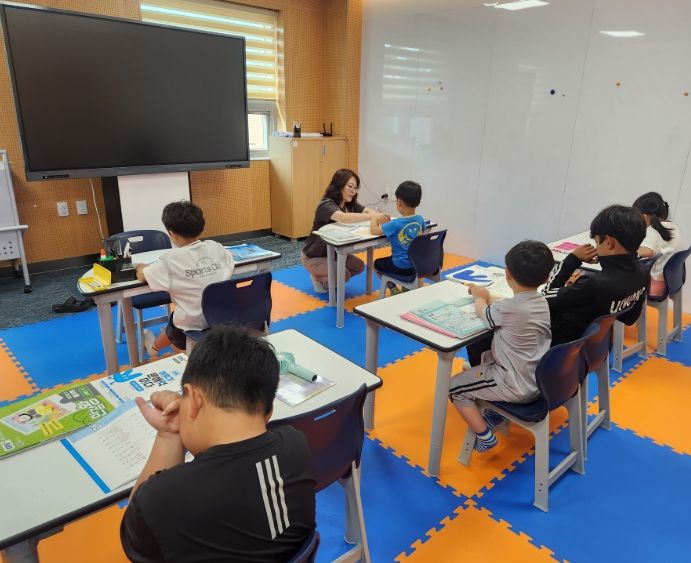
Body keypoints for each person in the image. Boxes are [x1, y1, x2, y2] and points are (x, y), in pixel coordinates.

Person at [120, 326, 316, 562]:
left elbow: (134, 528)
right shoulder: (296, 445)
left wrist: (168, 435)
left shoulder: (159, 502)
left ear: (194, 400)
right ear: (268, 412)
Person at [449, 240, 554, 453]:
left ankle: (484, 437)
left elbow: (484, 313)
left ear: (507, 274)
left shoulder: (508, 308)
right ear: (546, 278)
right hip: (539, 380)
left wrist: (480, 297)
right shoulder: (541, 301)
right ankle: (495, 412)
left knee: (454, 388)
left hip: (514, 384)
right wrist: (487, 297)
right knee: (485, 359)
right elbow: (506, 307)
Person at [135, 201, 234, 357]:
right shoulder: (216, 247)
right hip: (225, 316)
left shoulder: (170, 260)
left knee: (178, 320)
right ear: (201, 227)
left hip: (192, 325)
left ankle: (152, 348)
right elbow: (230, 261)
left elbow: (142, 276)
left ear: (171, 234)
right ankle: (155, 346)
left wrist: (140, 266)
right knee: (181, 315)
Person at [542, 205, 647, 346]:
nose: (596, 247)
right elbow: (629, 318)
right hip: (598, 347)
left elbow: (543, 298)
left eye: (597, 242)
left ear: (609, 242)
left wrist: (572, 259)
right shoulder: (643, 271)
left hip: (561, 348)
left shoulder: (593, 284)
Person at [302, 168, 388, 293]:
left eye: (355, 188)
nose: (353, 191)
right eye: (350, 186)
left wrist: (380, 217)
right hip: (314, 256)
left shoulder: (349, 204)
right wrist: (373, 217)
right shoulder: (326, 205)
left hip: (334, 253)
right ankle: (317, 278)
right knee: (344, 274)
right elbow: (343, 218)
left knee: (359, 266)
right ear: (339, 185)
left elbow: (367, 211)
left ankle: (330, 278)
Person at [370, 180, 425, 295]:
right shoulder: (420, 220)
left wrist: (374, 217)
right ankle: (405, 287)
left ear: (399, 202)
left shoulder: (395, 224)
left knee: (374, 264)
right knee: (390, 259)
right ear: (418, 202)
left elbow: (374, 230)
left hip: (400, 267)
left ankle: (393, 289)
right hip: (415, 267)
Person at [632, 192, 684, 297]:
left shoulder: (652, 231)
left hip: (654, 286)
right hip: (672, 282)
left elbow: (646, 252)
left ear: (644, 217)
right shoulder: (672, 226)